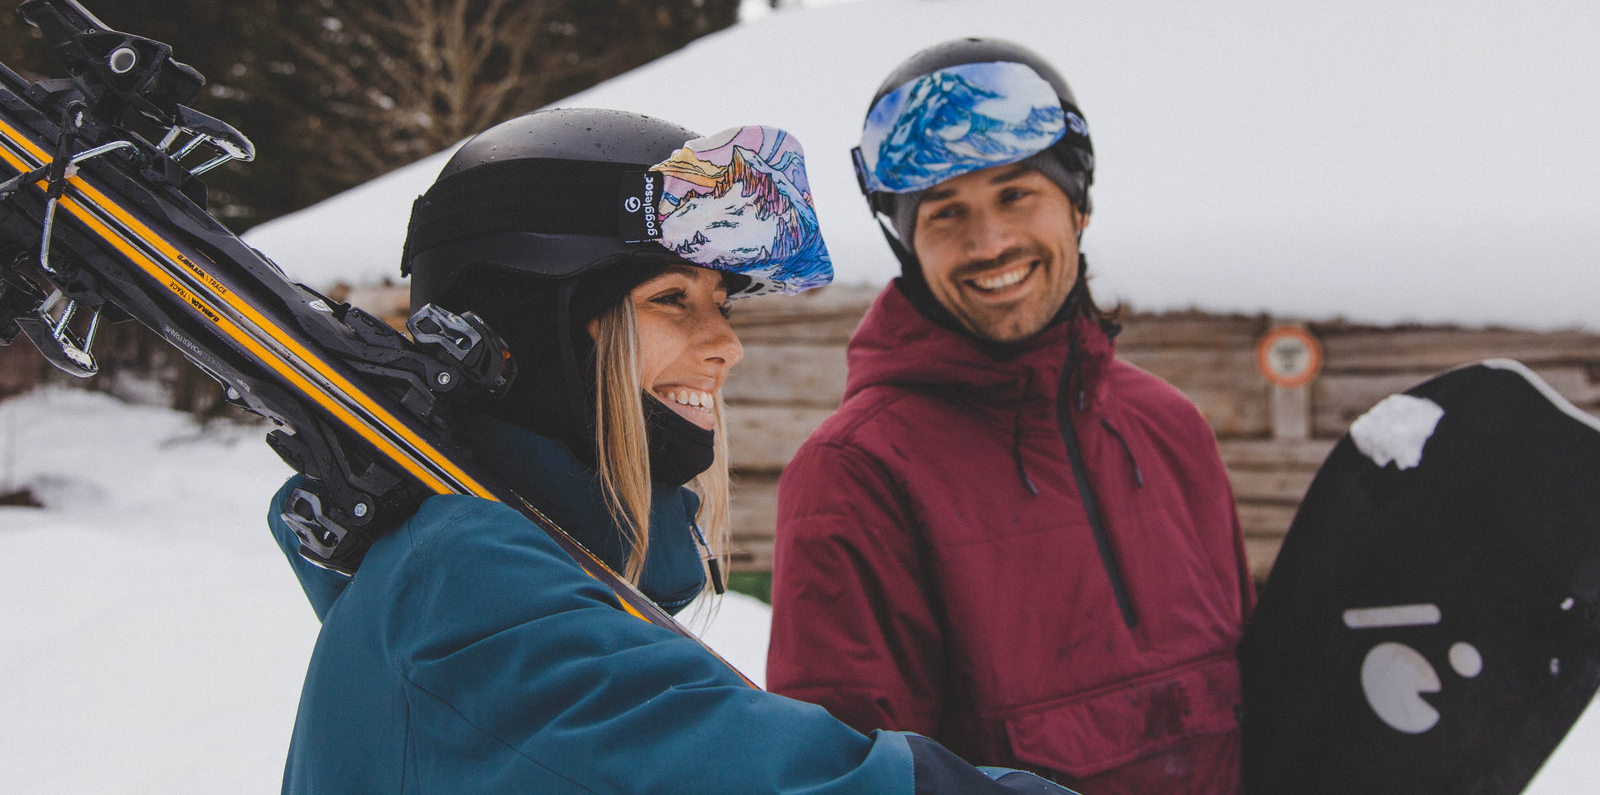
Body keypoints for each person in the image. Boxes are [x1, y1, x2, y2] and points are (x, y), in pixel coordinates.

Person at [267, 107, 1080, 795]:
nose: (724, 343)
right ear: (528, 335)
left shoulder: (506, 565)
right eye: (671, 299)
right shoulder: (464, 582)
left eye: (720, 302)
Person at [766, 40, 1256, 794]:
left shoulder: (1170, 427)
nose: (988, 242)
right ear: (907, 243)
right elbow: (845, 776)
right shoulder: (857, 472)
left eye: (1015, 194)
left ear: (1078, 204)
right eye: (945, 213)